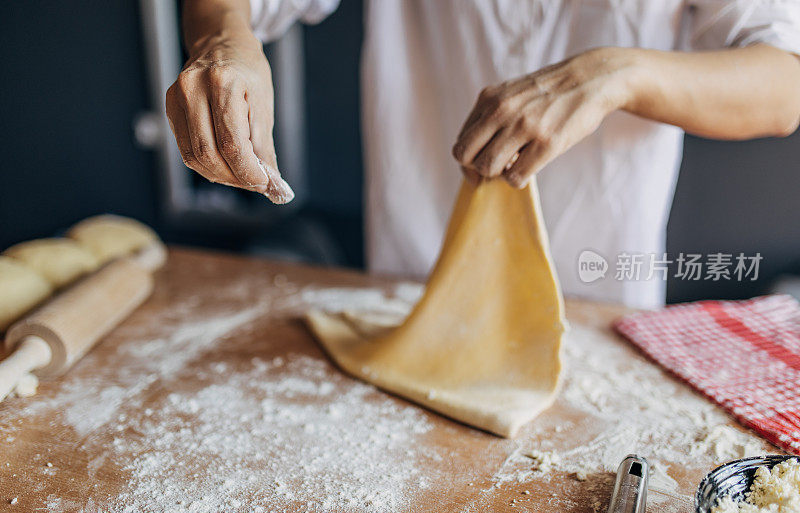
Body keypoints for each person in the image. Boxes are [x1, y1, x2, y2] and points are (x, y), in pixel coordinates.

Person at [166, 0, 800, 308]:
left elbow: (783, 82)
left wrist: (623, 73)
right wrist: (225, 39)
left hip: (603, 305)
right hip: (410, 289)